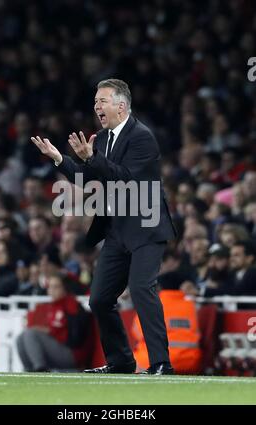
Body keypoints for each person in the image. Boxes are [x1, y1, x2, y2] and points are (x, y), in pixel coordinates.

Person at [31, 79, 176, 375]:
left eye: (103, 101)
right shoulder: (103, 138)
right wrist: (60, 159)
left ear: (121, 106)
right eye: (95, 101)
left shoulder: (142, 137)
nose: (96, 106)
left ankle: (161, 363)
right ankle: (121, 361)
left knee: (141, 289)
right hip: (117, 229)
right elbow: (89, 179)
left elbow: (126, 181)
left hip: (145, 227)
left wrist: (92, 158)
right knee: (99, 299)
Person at [16, 272, 91, 372]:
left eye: (56, 287)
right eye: (50, 287)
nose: (51, 290)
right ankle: (29, 370)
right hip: (57, 349)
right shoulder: (52, 306)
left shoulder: (72, 306)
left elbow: (76, 339)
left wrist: (50, 332)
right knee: (21, 337)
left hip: (72, 353)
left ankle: (40, 369)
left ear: (65, 288)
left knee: (30, 334)